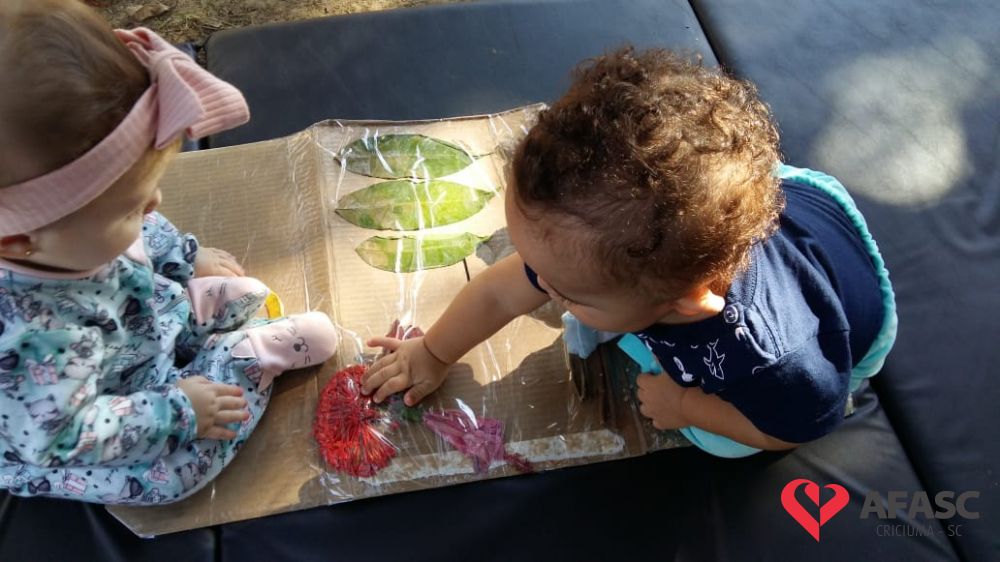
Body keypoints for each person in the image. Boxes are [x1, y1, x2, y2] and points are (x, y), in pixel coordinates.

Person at [361, 48, 897, 457]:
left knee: (724, 445)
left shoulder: (772, 356)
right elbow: (500, 292)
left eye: (566, 291)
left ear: (684, 301)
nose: (541, 288)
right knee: (614, 261)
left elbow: (798, 427)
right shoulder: (622, 250)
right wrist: (432, 354)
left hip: (845, 319)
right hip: (788, 197)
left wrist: (686, 405)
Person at [0, 0, 338, 504]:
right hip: (92, 419)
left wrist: (183, 256)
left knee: (239, 291)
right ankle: (240, 360)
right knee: (167, 480)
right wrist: (178, 412)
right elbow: (67, 438)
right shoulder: (33, 340)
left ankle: (193, 328)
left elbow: (145, 226)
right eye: (131, 209)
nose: (154, 204)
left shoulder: (64, 232)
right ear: (15, 241)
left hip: (137, 326)